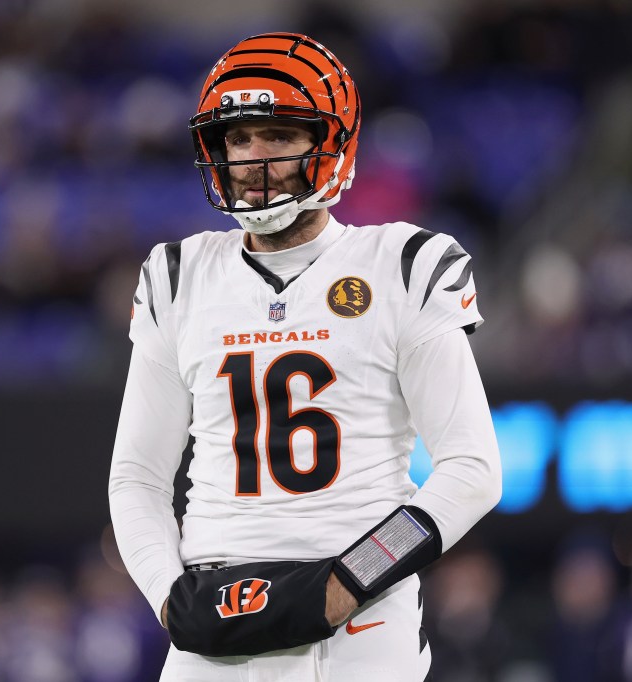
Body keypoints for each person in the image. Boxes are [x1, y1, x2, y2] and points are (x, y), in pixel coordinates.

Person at [108, 32, 502, 681]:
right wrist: (169, 600)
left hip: (360, 618)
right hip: (214, 615)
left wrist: (351, 579)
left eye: (277, 135)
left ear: (333, 141)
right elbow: (137, 478)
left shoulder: (404, 264)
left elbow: (473, 470)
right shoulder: (177, 275)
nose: (252, 158)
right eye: (237, 139)